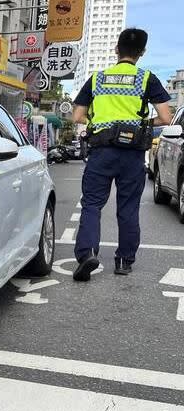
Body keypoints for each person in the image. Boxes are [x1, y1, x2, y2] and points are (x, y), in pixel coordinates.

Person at [71, 28, 172, 281]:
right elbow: (165, 117)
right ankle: (124, 261)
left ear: (116, 49)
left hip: (102, 150)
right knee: (128, 207)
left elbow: (77, 116)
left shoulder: (97, 78)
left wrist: (98, 120)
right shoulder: (147, 78)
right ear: (142, 53)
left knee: (92, 204)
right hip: (132, 154)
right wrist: (140, 122)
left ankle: (87, 255)